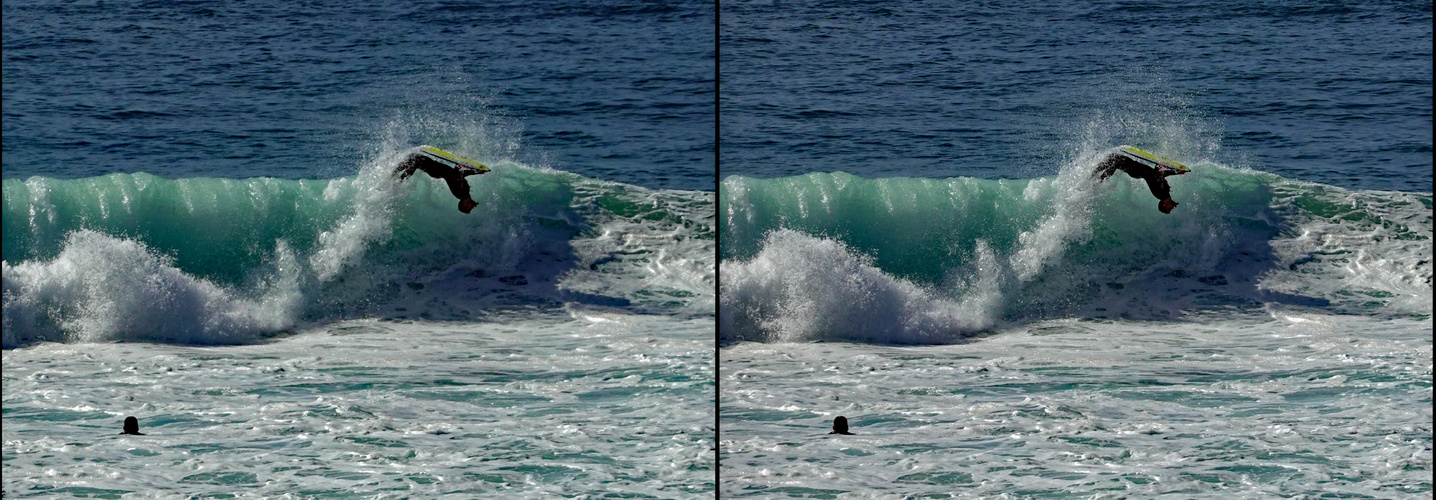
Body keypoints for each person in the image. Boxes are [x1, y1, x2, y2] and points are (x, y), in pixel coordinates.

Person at [1093, 150, 1187, 214]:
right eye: (1169, 210)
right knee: (1114, 160)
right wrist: (1172, 171)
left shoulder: (1161, 193)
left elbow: (1158, 175)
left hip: (1136, 170)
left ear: (1164, 204)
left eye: (1168, 210)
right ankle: (1095, 178)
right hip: (1137, 171)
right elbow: (1157, 175)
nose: (1171, 209)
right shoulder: (1163, 193)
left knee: (1114, 159)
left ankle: (1096, 179)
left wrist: (1176, 172)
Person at [394, 150, 486, 213]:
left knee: (415, 160)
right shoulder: (464, 193)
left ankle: (397, 179)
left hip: (435, 170)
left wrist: (476, 172)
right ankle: (395, 178)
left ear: (464, 205)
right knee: (413, 160)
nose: (471, 208)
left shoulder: (461, 193)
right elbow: (456, 173)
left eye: (469, 209)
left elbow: (458, 175)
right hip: (436, 170)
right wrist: (460, 165)